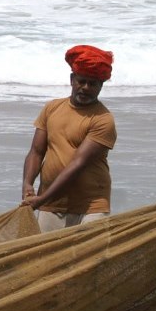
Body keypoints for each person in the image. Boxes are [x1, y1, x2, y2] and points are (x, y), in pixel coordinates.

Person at [20, 45, 117, 233]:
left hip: (90, 206)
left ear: (101, 86)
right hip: (51, 204)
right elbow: (36, 152)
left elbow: (77, 164)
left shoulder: (103, 119)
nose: (86, 88)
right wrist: (27, 183)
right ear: (72, 80)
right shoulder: (52, 108)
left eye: (93, 84)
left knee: (89, 259)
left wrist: (42, 198)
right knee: (45, 258)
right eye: (82, 81)